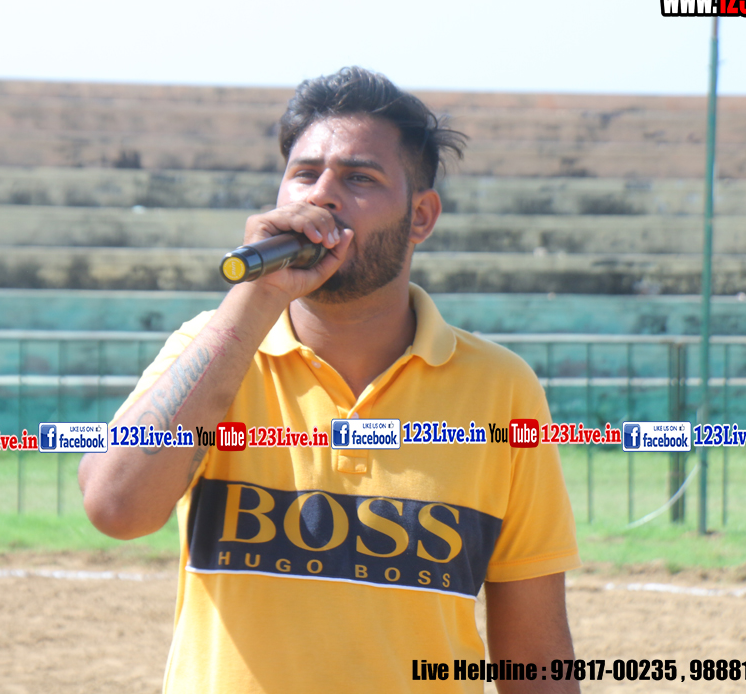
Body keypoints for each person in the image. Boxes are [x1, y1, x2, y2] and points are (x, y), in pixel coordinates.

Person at [79, 66, 581, 693]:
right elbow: (116, 507)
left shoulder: (501, 388)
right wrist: (256, 299)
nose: (322, 196)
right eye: (305, 173)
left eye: (359, 178)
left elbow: (534, 649)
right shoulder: (212, 349)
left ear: (421, 216)